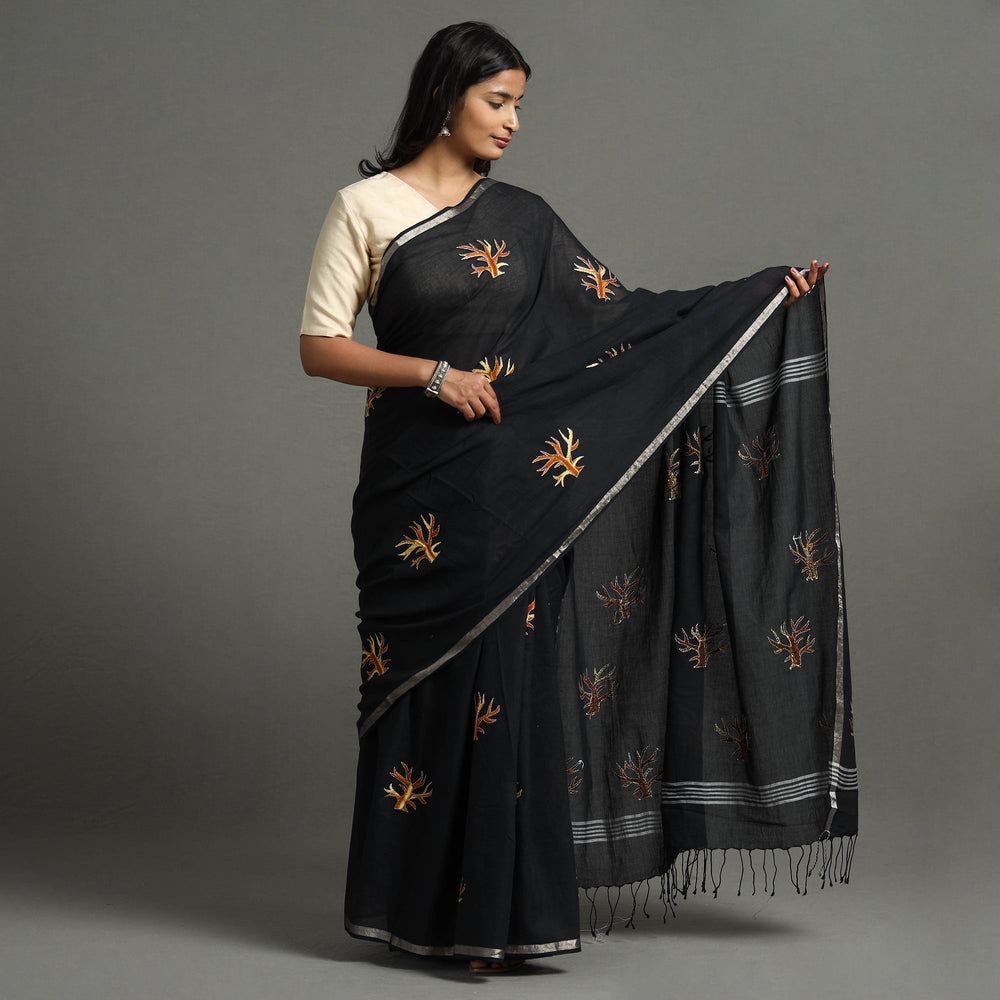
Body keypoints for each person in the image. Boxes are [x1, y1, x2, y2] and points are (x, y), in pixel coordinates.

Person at [299, 22, 856, 974]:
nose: (514, 122)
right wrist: (434, 374)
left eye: (520, 104)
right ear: (445, 96)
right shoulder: (365, 208)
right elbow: (321, 347)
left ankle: (497, 919)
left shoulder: (527, 218)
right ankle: (409, 909)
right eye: (498, 101)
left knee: (506, 690)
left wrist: (760, 296)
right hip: (414, 488)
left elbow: (623, 323)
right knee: (418, 688)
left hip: (517, 491)